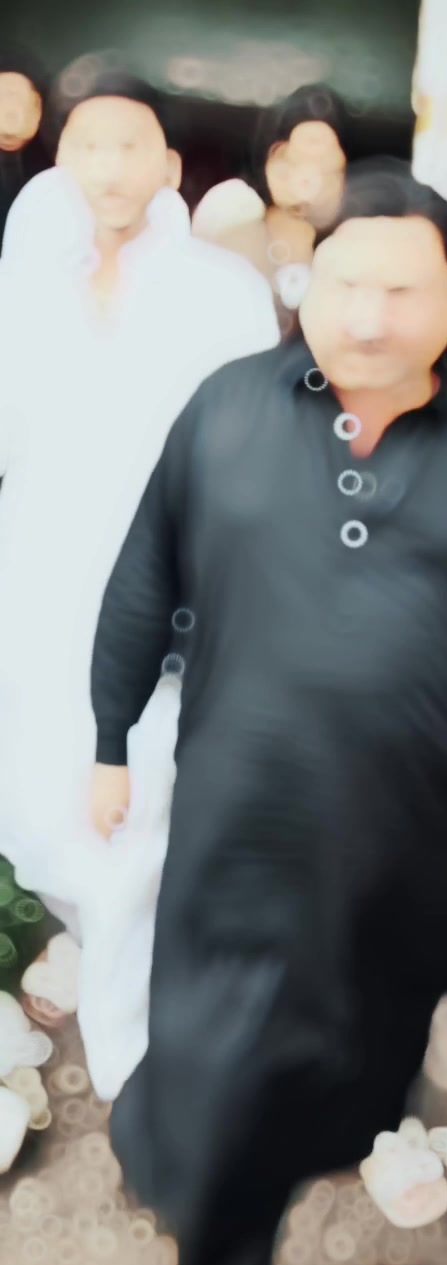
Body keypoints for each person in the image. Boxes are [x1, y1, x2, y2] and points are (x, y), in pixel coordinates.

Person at [90, 157, 447, 1265]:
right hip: (237, 834)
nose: (370, 317)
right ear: (309, 283)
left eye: (402, 290)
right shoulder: (227, 410)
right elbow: (143, 574)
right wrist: (109, 737)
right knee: (222, 1089)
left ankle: (341, 1132)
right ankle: (217, 1214)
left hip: (405, 848)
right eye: (347, 284)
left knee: (359, 1056)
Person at [0, 72, 278, 1102]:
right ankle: (108, 988)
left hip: (162, 586)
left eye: (130, 145)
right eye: (88, 145)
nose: (108, 167)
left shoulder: (222, 290)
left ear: (168, 165)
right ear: (62, 160)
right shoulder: (30, 281)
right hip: (37, 579)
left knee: (137, 802)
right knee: (46, 800)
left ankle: (133, 1058)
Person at [192, 83, 350, 322]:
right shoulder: (233, 210)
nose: (308, 181)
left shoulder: (349, 250)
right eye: (294, 161)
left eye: (326, 168)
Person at [0, 46, 50, 246]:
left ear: (37, 106)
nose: (10, 110)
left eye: (17, 97)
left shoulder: (59, 166)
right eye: (2, 97)